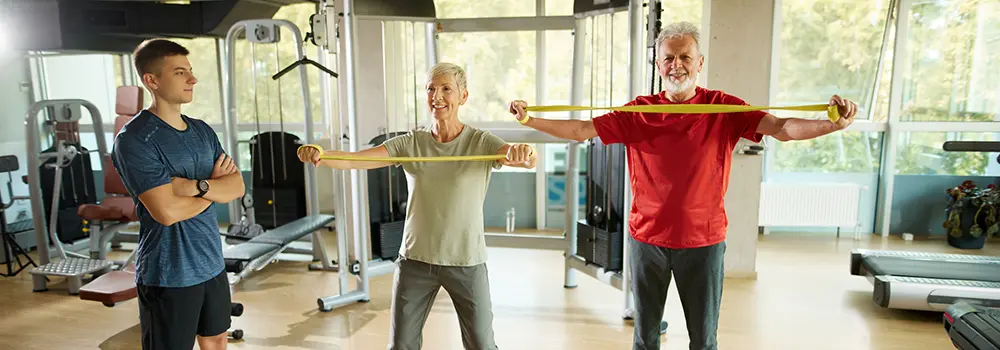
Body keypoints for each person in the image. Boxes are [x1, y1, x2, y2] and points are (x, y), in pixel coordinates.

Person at [507, 21, 857, 350]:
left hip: (703, 241)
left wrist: (831, 126)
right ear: (658, 65)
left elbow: (781, 127)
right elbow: (582, 131)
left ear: (700, 62)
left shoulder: (724, 108)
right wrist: (529, 119)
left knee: (703, 341)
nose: (677, 65)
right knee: (645, 339)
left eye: (685, 57)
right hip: (647, 240)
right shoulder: (639, 111)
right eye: (668, 58)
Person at [297, 62, 537, 350]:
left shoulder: (480, 141)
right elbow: (358, 159)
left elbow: (517, 156)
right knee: (402, 346)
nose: (437, 96)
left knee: (482, 345)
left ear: (463, 96)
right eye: (430, 89)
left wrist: (526, 153)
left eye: (446, 89)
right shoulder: (413, 142)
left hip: (465, 260)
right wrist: (321, 154)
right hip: (415, 260)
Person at [112, 38, 245, 350]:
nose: (192, 79)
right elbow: (166, 213)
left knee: (216, 340)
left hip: (211, 262)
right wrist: (214, 189)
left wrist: (192, 187)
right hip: (168, 272)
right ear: (151, 80)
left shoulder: (202, 131)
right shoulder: (135, 140)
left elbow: (237, 187)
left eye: (191, 71)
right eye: (180, 72)